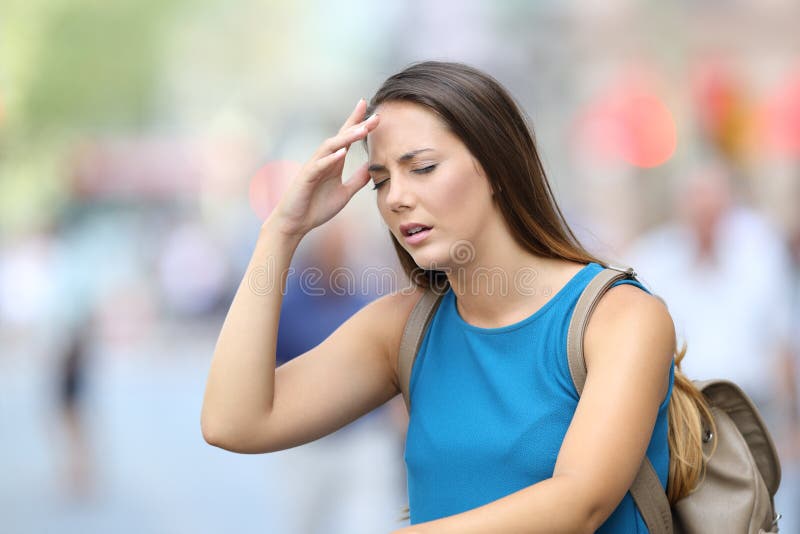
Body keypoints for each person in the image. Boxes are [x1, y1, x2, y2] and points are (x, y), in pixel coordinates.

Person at [201, 61, 700, 533]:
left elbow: (579, 503)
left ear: (498, 168)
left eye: (421, 167)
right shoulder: (402, 329)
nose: (395, 196)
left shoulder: (619, 316)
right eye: (380, 180)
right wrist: (281, 231)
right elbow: (233, 422)